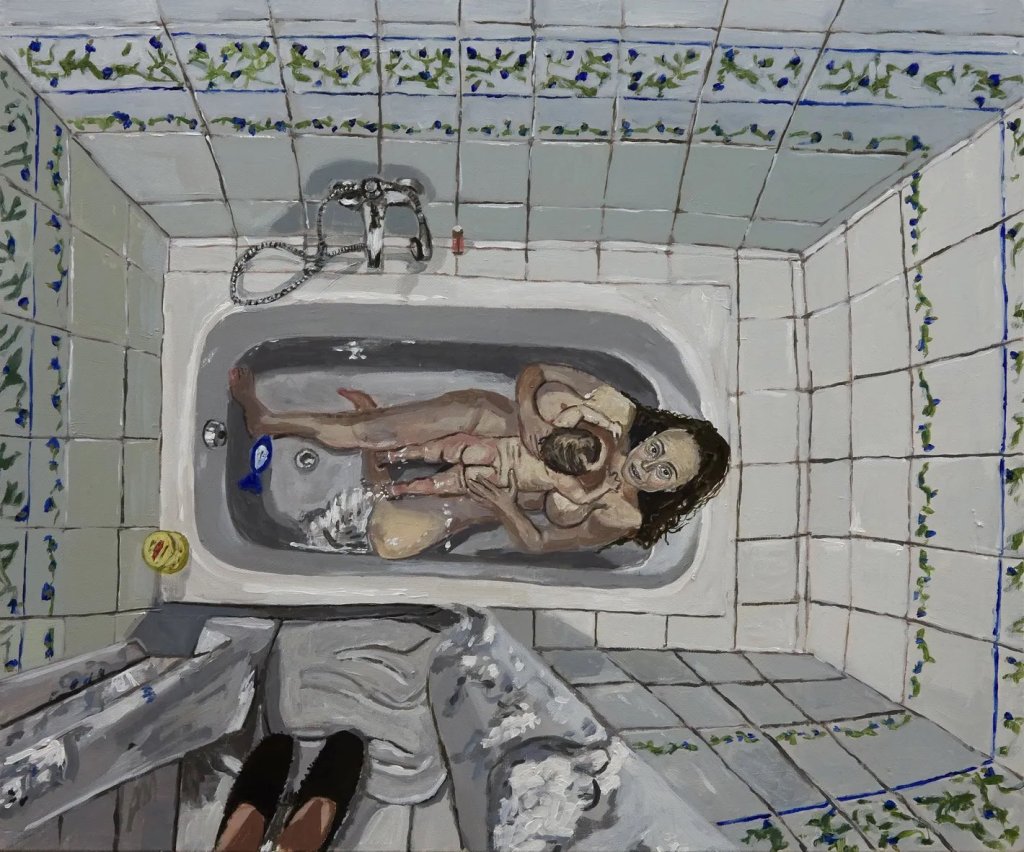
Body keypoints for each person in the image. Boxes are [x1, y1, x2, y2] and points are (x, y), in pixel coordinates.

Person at [228, 362, 730, 559]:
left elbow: (540, 543)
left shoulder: (621, 514)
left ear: (673, 489)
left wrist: (503, 507)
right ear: (656, 433)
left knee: (388, 541)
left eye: (666, 472)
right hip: (492, 421)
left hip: (495, 494)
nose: (648, 464)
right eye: (657, 448)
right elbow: (536, 372)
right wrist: (529, 416)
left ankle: (377, 463)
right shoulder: (617, 411)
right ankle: (268, 420)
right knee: (370, 431)